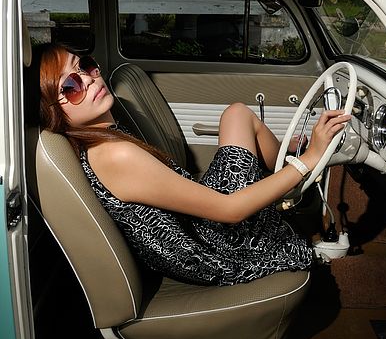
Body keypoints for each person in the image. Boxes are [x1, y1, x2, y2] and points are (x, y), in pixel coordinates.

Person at [38, 44, 350, 286]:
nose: (91, 80)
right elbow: (229, 211)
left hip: (201, 224)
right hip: (213, 246)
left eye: (87, 67)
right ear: (54, 112)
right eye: (71, 87)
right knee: (244, 120)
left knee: (237, 113)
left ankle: (287, 164)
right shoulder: (114, 155)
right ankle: (293, 170)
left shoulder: (105, 138)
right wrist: (309, 159)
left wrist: (297, 157)